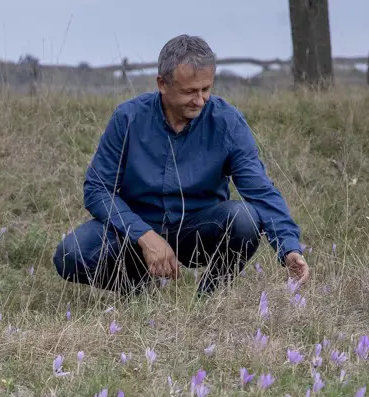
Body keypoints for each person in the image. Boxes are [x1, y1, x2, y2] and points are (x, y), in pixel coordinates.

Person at [52, 34, 310, 297]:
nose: (200, 100)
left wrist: (289, 247)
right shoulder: (127, 118)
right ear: (162, 84)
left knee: (245, 219)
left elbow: (260, 191)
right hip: (136, 230)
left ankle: (207, 299)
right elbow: (97, 189)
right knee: (71, 254)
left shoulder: (228, 122)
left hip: (198, 229)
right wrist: (144, 235)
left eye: (206, 89)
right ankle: (139, 292)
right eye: (189, 92)